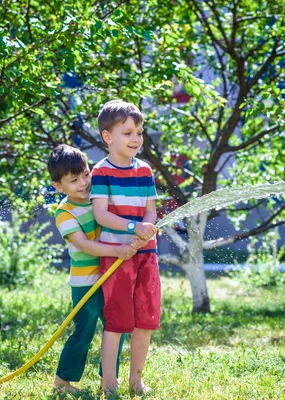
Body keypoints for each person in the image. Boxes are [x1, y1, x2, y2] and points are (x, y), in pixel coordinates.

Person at [47, 144, 136, 393]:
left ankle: (108, 379)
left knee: (115, 327)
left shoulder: (99, 197)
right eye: (73, 180)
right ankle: (62, 382)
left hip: (111, 276)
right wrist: (117, 251)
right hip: (85, 282)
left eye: (85, 174)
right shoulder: (64, 213)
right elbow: (85, 245)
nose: (83, 183)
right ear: (58, 186)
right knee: (84, 331)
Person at [90, 100, 160, 394]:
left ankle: (136, 379)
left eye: (140, 133)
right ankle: (109, 383)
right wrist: (133, 229)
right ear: (108, 137)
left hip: (146, 255)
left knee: (146, 319)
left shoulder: (144, 170)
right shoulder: (101, 172)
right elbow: (101, 214)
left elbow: (151, 211)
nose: (136, 139)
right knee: (117, 320)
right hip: (117, 256)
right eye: (128, 133)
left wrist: (146, 229)